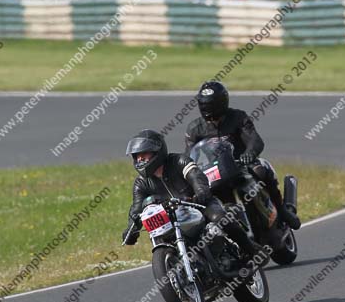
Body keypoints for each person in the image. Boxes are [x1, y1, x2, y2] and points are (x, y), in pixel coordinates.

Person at [122, 129, 261, 264]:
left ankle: (251, 250)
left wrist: (201, 192)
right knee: (162, 238)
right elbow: (137, 208)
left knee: (220, 218)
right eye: (137, 156)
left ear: (157, 151)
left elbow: (196, 176)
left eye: (144, 154)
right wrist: (131, 229)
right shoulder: (141, 183)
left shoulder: (179, 161)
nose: (140, 159)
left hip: (198, 205)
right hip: (172, 218)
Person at [185, 82, 300, 230]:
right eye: (205, 104)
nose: (208, 108)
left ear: (222, 102)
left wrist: (249, 154)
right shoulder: (195, 129)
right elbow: (189, 157)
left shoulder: (238, 118)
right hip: (214, 172)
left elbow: (254, 140)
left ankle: (282, 210)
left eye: (212, 104)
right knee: (200, 195)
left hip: (242, 165)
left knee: (261, 169)